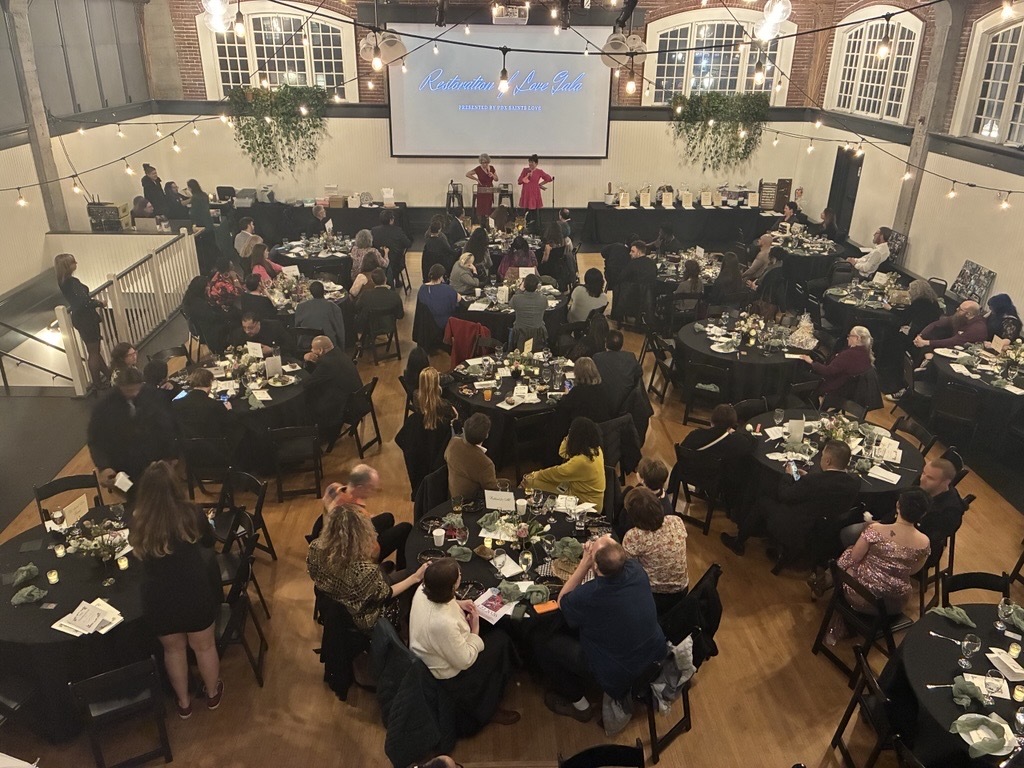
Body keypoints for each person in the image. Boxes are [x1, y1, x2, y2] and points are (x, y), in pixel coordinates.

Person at [129, 461, 222, 719]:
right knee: (204, 647)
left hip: (159, 597)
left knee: (173, 651)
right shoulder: (191, 513)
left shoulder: (139, 520)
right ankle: (213, 694)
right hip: (193, 590)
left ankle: (183, 703)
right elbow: (209, 542)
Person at [536, 537, 665, 721]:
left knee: (543, 639)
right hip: (655, 656)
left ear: (595, 567)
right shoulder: (636, 570)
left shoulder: (590, 595)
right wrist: (600, 550)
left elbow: (562, 601)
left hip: (619, 673)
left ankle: (580, 706)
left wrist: (584, 563)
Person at [409, 558, 519, 730]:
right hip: (448, 674)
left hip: (436, 647)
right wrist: (475, 629)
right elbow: (464, 660)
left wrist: (459, 604)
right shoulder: (442, 623)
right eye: (458, 575)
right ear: (453, 587)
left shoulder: (423, 590)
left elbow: (440, 603)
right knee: (501, 641)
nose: (460, 576)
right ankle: (488, 708)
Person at [720, 440, 860, 558]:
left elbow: (785, 495)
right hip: (822, 528)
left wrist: (788, 475)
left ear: (828, 461)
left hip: (796, 524)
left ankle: (739, 541)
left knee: (763, 501)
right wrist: (805, 479)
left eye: (823, 456)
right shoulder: (854, 482)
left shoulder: (814, 481)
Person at [307, 503, 427, 632]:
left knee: (389, 572)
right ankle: (408, 625)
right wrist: (415, 577)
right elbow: (386, 594)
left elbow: (314, 574)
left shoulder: (315, 547)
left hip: (334, 605)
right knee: (410, 575)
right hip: (363, 619)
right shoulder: (364, 570)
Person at [835, 488, 931, 616]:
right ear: (923, 514)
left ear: (898, 505)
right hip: (896, 602)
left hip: (864, 596)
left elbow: (855, 557)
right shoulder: (924, 542)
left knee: (848, 553)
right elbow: (913, 570)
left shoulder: (876, 529)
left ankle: (824, 584)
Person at [88, 366, 176, 489]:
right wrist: (103, 467)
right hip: (123, 464)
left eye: (136, 389)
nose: (134, 393)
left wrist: (171, 455)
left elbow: (166, 425)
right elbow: (95, 440)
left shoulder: (152, 394)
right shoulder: (104, 406)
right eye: (128, 390)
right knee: (134, 501)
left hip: (154, 459)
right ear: (119, 387)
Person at [324, 465, 413, 570]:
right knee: (405, 528)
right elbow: (373, 551)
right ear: (360, 488)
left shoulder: (333, 488)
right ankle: (401, 570)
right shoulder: (357, 514)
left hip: (334, 540)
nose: (374, 492)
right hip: (355, 556)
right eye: (372, 488)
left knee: (387, 518)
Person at [622, 487, 689, 611]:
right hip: (682, 591)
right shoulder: (676, 521)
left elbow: (627, 569)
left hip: (653, 596)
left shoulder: (634, 536)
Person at [396, 367, 457, 499]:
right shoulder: (446, 409)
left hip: (420, 460)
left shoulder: (416, 404)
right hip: (440, 459)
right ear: (437, 384)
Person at [523, 417, 606, 507]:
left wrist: (534, 474)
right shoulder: (596, 449)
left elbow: (555, 473)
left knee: (529, 481)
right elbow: (563, 453)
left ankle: (527, 507)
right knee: (536, 480)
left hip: (584, 501)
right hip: (580, 491)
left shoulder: (580, 461)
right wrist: (569, 437)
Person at [55, 252, 110, 387]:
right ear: (68, 266)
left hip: (80, 318)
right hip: (87, 318)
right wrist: (99, 303)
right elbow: (84, 302)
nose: (76, 263)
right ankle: (97, 383)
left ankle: (108, 376)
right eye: (74, 262)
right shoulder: (72, 282)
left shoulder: (63, 282)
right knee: (94, 352)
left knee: (94, 351)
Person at [303, 336, 366, 444]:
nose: (311, 351)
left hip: (344, 406)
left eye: (312, 348)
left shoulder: (326, 363)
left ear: (321, 350)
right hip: (357, 399)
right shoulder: (338, 353)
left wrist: (307, 361)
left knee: (308, 400)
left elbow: (308, 383)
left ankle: (318, 435)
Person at [797, 325, 874, 398]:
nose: (848, 338)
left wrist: (811, 362)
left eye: (850, 336)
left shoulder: (848, 355)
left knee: (801, 376)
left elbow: (827, 371)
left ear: (857, 338)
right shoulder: (866, 355)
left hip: (835, 387)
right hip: (849, 390)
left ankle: (805, 403)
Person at [916, 458, 966, 559]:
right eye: (923, 473)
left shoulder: (950, 512)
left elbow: (928, 541)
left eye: (930, 478)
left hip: (923, 552)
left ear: (946, 483)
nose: (922, 479)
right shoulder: (924, 487)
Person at [172, 368, 238, 445]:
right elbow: (231, 423)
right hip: (215, 447)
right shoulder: (215, 405)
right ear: (210, 383)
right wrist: (229, 410)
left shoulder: (176, 404)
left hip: (187, 448)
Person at [445, 413, 499, 498]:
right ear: (486, 435)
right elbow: (492, 491)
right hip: (471, 502)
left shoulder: (453, 443)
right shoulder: (485, 464)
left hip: (453, 494)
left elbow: (446, 457)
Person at [593, 330, 642, 415]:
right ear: (622, 344)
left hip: (602, 406)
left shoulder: (597, 358)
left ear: (605, 343)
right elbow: (639, 373)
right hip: (626, 407)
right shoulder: (630, 357)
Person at [555, 357, 611, 427]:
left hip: (583, 429)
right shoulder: (603, 387)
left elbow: (563, 406)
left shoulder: (577, 391)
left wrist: (566, 395)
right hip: (603, 427)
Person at [612, 240, 657, 321]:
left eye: (632, 251)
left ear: (639, 253)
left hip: (633, 299)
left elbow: (620, 278)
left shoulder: (632, 264)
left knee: (617, 286)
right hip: (649, 298)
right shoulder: (652, 263)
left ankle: (617, 316)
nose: (630, 253)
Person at [914, 300, 988, 350]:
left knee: (928, 347)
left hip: (964, 353)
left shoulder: (977, 328)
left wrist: (925, 342)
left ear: (968, 314)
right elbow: (936, 324)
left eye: (960, 309)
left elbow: (953, 341)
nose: (956, 309)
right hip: (954, 348)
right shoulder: (961, 318)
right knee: (931, 338)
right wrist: (920, 336)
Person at [295, 280, 347, 349]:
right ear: (324, 291)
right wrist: (341, 349)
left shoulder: (300, 307)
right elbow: (340, 331)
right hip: (326, 346)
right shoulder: (333, 307)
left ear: (311, 293)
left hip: (306, 345)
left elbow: (297, 328)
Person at [356, 269, 405, 341]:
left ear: (373, 281)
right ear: (385, 279)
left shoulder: (366, 295)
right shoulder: (395, 296)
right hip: (389, 326)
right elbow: (400, 315)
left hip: (370, 327)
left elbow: (357, 308)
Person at [509, 273, 549, 348]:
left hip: (520, 334)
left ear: (524, 285)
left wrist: (520, 290)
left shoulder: (516, 299)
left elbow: (510, 304)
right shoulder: (543, 299)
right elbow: (545, 306)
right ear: (537, 286)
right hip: (538, 334)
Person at [228, 313, 294, 358]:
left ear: (258, 323)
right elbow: (236, 353)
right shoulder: (238, 333)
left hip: (274, 360)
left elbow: (290, 345)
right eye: (244, 327)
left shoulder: (274, 327)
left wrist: (272, 350)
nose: (247, 331)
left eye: (251, 328)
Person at [417, 264, 460, 332]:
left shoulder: (422, 288)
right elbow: (457, 301)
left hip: (426, 324)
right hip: (443, 323)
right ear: (441, 277)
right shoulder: (447, 289)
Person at [517, 154, 553, 226]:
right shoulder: (525, 170)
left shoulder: (539, 171)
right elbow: (519, 181)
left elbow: (549, 178)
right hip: (526, 193)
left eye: (532, 162)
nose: (530, 164)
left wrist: (540, 184)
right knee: (525, 212)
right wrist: (527, 176)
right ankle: (524, 227)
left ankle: (534, 228)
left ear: (536, 163)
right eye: (529, 162)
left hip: (534, 193)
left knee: (534, 212)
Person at [371, 210, 411, 274]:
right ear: (391, 220)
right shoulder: (398, 231)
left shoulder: (374, 230)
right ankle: (396, 280)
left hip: (378, 260)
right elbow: (408, 244)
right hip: (395, 262)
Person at [467, 153, 499, 220]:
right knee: (481, 207)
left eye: (486, 163)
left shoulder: (492, 168)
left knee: (488, 206)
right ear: (481, 162)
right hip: (481, 190)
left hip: (489, 189)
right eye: (483, 163)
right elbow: (468, 174)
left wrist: (492, 175)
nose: (485, 164)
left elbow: (496, 179)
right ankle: (481, 222)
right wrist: (476, 179)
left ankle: (488, 221)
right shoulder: (478, 169)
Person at [537, 222, 569, 289]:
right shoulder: (563, 245)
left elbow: (544, 261)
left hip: (547, 271)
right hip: (558, 271)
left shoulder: (547, 247)